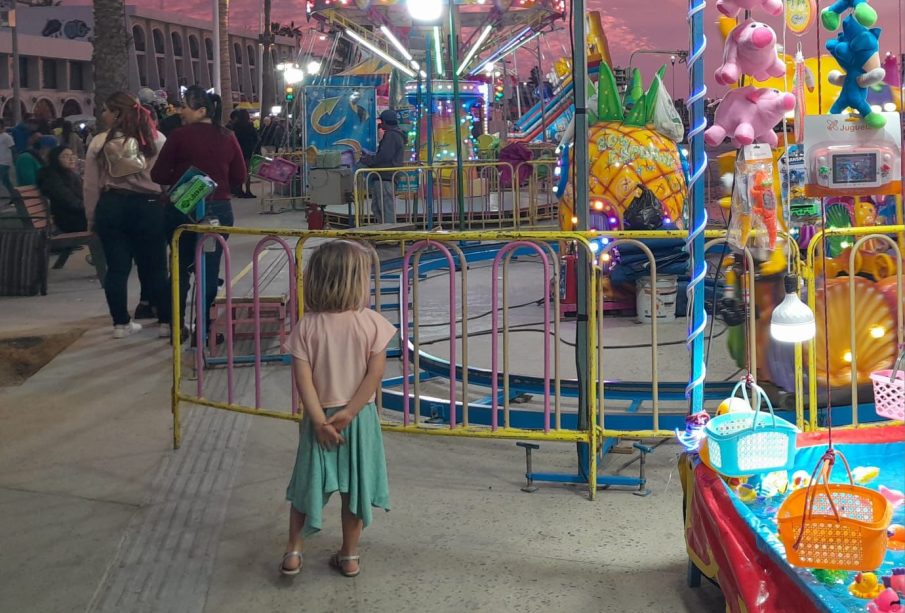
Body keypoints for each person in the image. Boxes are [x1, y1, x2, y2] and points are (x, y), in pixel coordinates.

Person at [279, 240, 395, 578]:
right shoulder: (374, 324)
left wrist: (320, 421)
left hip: (320, 419)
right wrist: (349, 413)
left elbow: (304, 382)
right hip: (358, 420)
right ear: (357, 282)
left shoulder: (306, 327)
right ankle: (349, 556)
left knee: (307, 484)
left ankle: (294, 552)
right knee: (355, 488)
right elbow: (375, 375)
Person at [151, 85, 246, 340]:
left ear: (200, 109)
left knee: (180, 269)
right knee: (209, 270)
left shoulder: (179, 136)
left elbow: (158, 174)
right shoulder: (227, 135)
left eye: (184, 106)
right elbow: (240, 175)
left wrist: (182, 180)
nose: (180, 111)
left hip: (182, 208)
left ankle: (176, 327)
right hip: (219, 208)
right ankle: (205, 330)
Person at [84, 91, 170, 339]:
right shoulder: (156, 139)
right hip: (149, 207)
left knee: (117, 268)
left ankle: (120, 323)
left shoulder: (99, 142)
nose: (102, 115)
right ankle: (165, 321)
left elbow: (90, 186)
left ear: (117, 113)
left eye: (105, 110)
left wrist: (91, 218)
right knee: (155, 267)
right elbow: (165, 179)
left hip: (112, 206)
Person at [359, 110, 406, 224]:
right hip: (383, 177)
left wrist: (367, 160)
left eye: (381, 122)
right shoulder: (396, 134)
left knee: (386, 208)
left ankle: (390, 235)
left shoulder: (391, 135)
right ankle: (383, 232)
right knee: (377, 207)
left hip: (385, 178)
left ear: (385, 122)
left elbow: (384, 156)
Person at [37, 146, 86, 232]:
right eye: (66, 156)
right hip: (66, 220)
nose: (71, 159)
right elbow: (68, 200)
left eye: (72, 155)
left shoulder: (70, 175)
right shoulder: (50, 176)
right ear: (55, 159)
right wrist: (91, 209)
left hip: (76, 215)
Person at [229, 109, 258, 198]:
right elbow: (256, 138)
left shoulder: (235, 127)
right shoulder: (250, 126)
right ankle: (248, 190)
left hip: (238, 151)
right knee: (247, 171)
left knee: (239, 170)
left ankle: (239, 190)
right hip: (248, 151)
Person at [0, 120, 15, 197]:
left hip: (4, 162)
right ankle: (14, 195)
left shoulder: (7, 137)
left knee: (3, 180)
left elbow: (12, 148)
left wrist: (14, 160)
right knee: (6, 181)